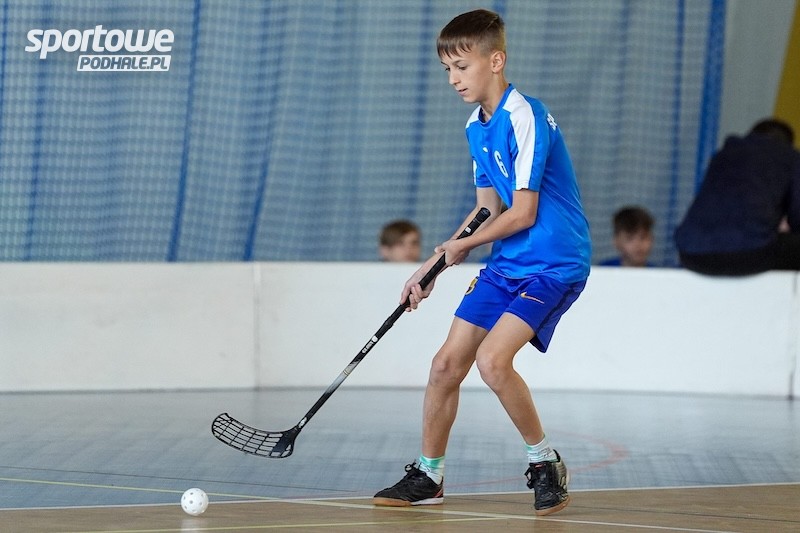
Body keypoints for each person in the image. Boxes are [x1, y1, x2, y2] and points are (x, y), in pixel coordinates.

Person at [372, 9, 591, 516]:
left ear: (496, 61)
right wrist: (433, 265)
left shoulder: (525, 116)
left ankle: (545, 462)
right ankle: (429, 475)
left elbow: (524, 212)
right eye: (447, 69)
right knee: (445, 365)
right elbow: (486, 210)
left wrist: (456, 251)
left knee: (493, 361)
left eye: (461, 66)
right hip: (508, 262)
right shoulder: (477, 126)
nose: (453, 79)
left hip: (554, 262)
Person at [674, 118, 800, 275]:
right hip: (747, 254)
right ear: (788, 143)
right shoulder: (790, 157)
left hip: (690, 254)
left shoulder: (722, 156)